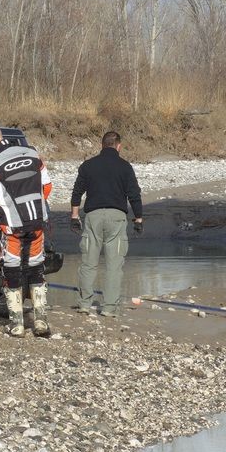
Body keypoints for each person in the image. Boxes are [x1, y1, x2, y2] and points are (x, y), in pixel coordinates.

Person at [0, 124, 53, 338]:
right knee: (36, 268)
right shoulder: (33, 153)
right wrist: (34, 207)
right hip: (37, 223)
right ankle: (41, 322)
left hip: (11, 227)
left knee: (11, 269)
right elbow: (46, 187)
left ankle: (17, 324)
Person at [70, 131, 143, 317]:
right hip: (116, 218)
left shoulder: (88, 166)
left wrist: (74, 216)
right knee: (114, 265)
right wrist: (139, 218)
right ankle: (109, 308)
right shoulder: (125, 167)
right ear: (118, 146)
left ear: (102, 145)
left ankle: (85, 304)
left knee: (88, 263)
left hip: (93, 217)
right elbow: (134, 194)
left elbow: (77, 192)